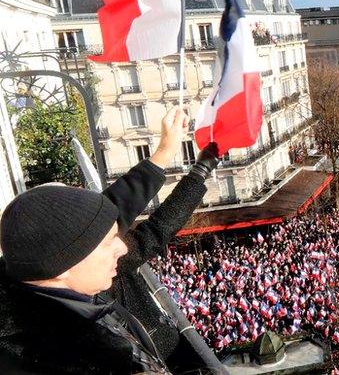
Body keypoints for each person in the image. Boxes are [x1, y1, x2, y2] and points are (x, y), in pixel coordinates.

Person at [0, 107, 220, 374]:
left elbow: (108, 212)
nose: (123, 245)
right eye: (108, 241)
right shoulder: (66, 359)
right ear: (64, 263)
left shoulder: (52, 265)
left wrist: (170, 156)